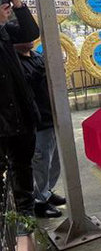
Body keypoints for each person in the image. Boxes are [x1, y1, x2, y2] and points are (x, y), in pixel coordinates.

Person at [0, 0, 39, 222]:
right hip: (2, 121)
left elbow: (31, 33)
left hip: (20, 116)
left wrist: (19, 4)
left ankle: (26, 218)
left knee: (23, 168)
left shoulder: (5, 29)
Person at [14, 41, 66, 218]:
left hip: (52, 118)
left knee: (55, 162)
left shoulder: (36, 56)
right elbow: (24, 86)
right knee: (41, 164)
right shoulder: (14, 62)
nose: (30, 38)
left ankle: (46, 192)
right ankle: (40, 202)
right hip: (38, 122)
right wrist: (43, 72)